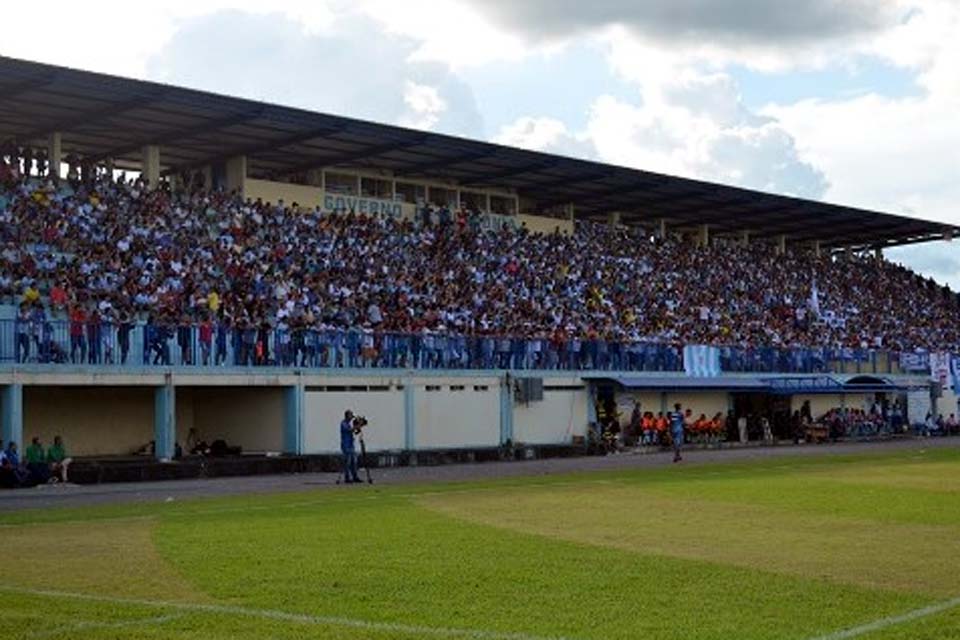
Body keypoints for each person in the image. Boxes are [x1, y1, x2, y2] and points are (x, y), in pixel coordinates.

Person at [339, 410, 361, 484]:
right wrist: (356, 426)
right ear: (347, 415)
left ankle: (355, 477)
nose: (351, 417)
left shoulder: (348, 424)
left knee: (354, 462)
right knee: (347, 462)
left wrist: (358, 428)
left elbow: (354, 432)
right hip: (346, 445)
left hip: (351, 445)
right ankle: (347, 478)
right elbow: (349, 430)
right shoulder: (343, 423)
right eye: (351, 415)